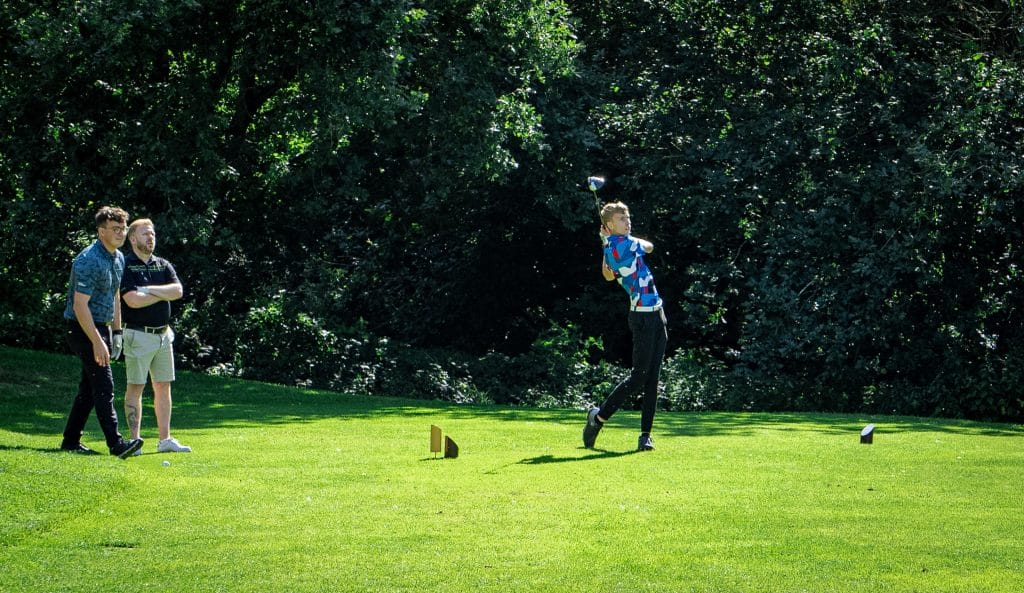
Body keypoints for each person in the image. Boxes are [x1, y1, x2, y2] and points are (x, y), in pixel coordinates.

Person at [60, 206, 145, 458]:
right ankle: (116, 445)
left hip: (102, 326)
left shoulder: (118, 257)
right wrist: (97, 342)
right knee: (104, 385)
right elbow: (79, 306)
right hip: (81, 327)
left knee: (89, 389)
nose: (120, 233)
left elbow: (115, 295)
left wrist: (116, 331)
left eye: (123, 228)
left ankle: (70, 441)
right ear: (100, 232)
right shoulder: (88, 260)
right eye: (115, 229)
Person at [583, 201, 668, 452]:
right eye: (621, 219)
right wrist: (616, 243)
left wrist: (605, 243)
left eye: (627, 217)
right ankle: (598, 418)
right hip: (642, 317)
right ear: (609, 225)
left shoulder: (613, 246)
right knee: (639, 376)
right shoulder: (626, 244)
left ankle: (645, 436)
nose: (627, 221)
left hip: (657, 314)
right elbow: (650, 247)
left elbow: (608, 275)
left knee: (652, 378)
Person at [120, 218, 191, 454]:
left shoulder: (162, 264)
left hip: (163, 335)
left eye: (152, 234)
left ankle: (165, 440)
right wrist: (163, 293)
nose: (150, 238)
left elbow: (178, 291)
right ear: (132, 239)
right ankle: (134, 441)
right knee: (136, 387)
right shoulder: (126, 264)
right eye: (145, 234)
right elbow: (131, 300)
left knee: (163, 386)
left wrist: (148, 290)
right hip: (138, 335)